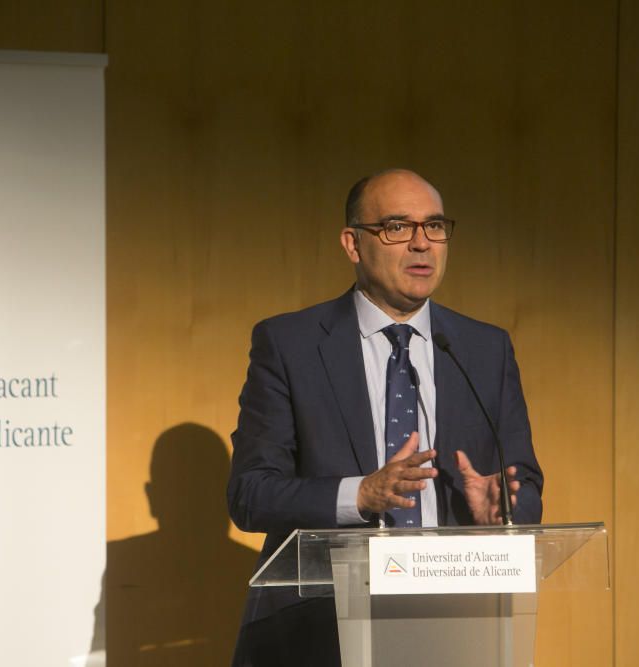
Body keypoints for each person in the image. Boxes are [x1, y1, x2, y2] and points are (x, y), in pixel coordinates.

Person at [226, 169, 543, 666]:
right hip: (318, 633)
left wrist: (499, 517)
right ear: (353, 244)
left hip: (456, 629)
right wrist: (360, 494)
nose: (422, 244)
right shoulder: (291, 345)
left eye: (434, 226)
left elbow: (523, 484)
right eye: (397, 226)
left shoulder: (485, 349)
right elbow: (250, 494)